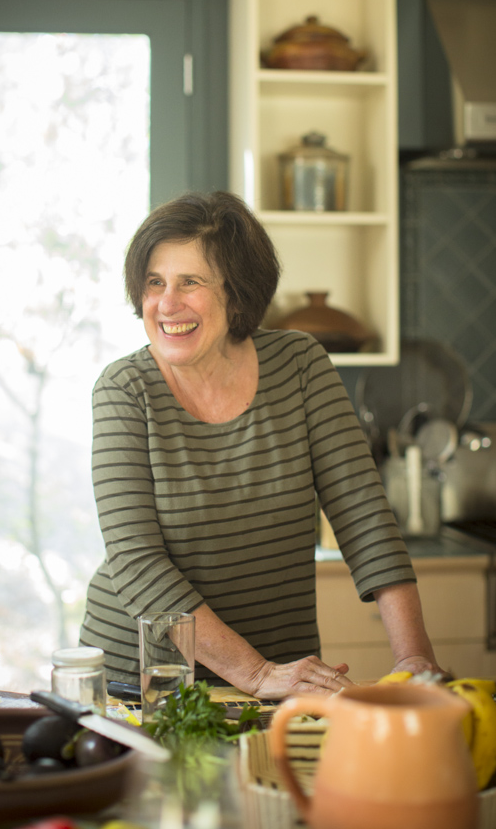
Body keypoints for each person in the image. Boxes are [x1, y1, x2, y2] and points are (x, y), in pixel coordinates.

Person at [80, 190, 442, 698]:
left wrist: (414, 659)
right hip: (148, 683)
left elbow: (363, 517)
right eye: (154, 283)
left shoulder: (299, 365)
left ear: (237, 293)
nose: (166, 304)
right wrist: (253, 673)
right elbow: (137, 563)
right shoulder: (123, 390)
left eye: (191, 283)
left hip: (285, 677)